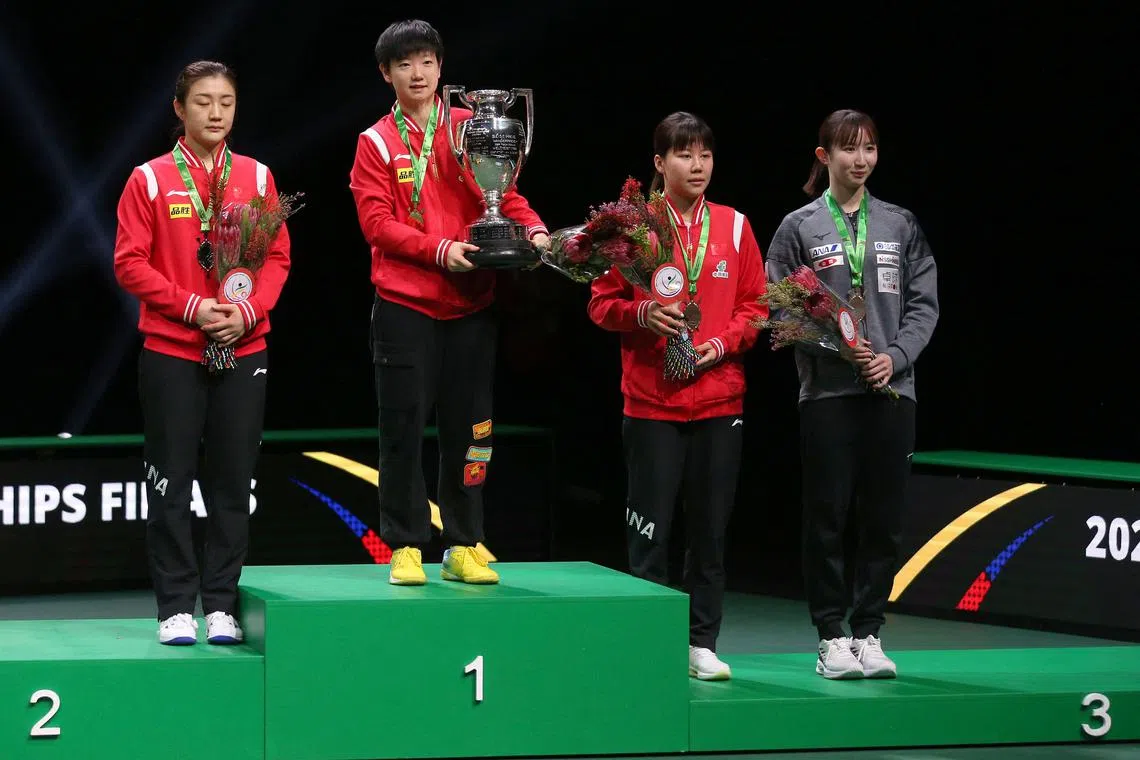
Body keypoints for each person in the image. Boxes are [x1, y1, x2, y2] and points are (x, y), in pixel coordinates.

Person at [349, 19, 550, 586]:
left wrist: (534, 233)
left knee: (473, 430)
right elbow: (377, 225)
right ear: (387, 73)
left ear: (441, 68)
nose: (418, 73)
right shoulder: (376, 143)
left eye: (428, 61)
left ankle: (464, 539)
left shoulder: (472, 126)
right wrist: (439, 250)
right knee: (403, 428)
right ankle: (405, 542)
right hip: (405, 306)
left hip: (470, 305)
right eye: (405, 63)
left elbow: (504, 195)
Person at [113, 60, 292, 645]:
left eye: (226, 102)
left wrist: (246, 312)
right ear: (179, 109)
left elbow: (277, 261)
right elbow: (129, 263)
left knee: (233, 481)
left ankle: (220, 604)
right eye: (203, 102)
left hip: (244, 346)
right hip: (173, 348)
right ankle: (173, 607)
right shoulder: (150, 180)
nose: (216, 113)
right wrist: (191, 308)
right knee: (170, 478)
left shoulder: (259, 179)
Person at [587, 112, 767, 680]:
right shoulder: (633, 230)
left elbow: (756, 307)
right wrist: (641, 312)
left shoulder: (735, 227)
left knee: (710, 531)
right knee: (650, 531)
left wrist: (720, 344)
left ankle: (701, 643)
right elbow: (599, 305)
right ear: (659, 163)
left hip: (719, 401)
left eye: (705, 155)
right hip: (651, 402)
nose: (697, 165)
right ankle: (647, 642)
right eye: (684, 155)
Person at [765, 109, 938, 679]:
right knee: (828, 517)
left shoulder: (900, 223)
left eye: (869, 149)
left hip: (893, 392)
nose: (860, 160)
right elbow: (779, 305)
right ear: (824, 157)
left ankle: (869, 631)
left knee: (883, 519)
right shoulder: (799, 228)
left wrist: (894, 357)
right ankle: (831, 635)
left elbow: (923, 304)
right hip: (829, 396)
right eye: (848, 150)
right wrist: (838, 350)